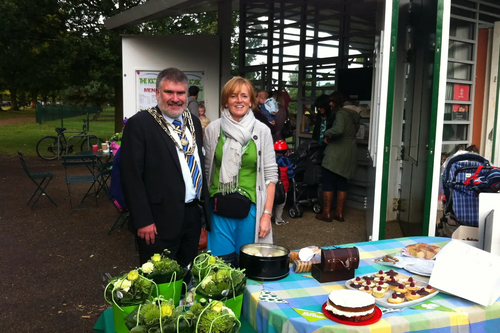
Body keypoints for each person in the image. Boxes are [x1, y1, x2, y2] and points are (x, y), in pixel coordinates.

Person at [121, 68, 210, 267]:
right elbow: (130, 176)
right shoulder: (141, 124)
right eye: (169, 92)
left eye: (180, 93)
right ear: (157, 93)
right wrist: (142, 219)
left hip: (191, 216)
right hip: (157, 221)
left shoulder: (193, 122)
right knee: (160, 282)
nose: (175, 98)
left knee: (187, 274)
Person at [204, 77, 278, 267]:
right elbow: (207, 171)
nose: (239, 100)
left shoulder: (262, 131)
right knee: (221, 267)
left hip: (251, 210)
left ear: (251, 101)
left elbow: (271, 176)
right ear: (225, 101)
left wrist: (267, 215)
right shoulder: (213, 129)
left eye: (244, 96)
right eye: (233, 96)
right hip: (219, 209)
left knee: (247, 266)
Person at [316, 102, 361, 222]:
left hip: (336, 151)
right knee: (342, 183)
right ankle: (339, 213)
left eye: (331, 106)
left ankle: (327, 213)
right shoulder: (355, 115)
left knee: (328, 181)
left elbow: (339, 130)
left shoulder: (341, 113)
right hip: (350, 151)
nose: (330, 108)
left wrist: (326, 133)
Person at [273, 140, 294, 225]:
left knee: (269, 202)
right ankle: (278, 219)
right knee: (280, 204)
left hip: (270, 185)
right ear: (286, 152)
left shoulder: (271, 160)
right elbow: (290, 175)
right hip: (283, 187)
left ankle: (267, 217)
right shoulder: (287, 161)